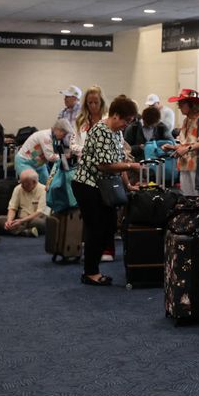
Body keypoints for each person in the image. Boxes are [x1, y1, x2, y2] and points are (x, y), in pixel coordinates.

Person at [71, 96, 141, 286]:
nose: (126, 125)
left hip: (103, 186)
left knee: (109, 225)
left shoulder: (117, 133)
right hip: (87, 185)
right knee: (96, 227)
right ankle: (90, 272)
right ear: (116, 116)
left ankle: (91, 268)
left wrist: (127, 185)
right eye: (126, 120)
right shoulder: (101, 130)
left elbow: (120, 161)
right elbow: (105, 165)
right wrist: (131, 165)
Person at [162, 89, 199, 196]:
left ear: (192, 104)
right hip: (186, 164)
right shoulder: (187, 120)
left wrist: (187, 149)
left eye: (182, 103)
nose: (179, 106)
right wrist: (173, 147)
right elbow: (187, 143)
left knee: (198, 197)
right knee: (187, 197)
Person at [14, 119, 74, 184]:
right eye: (64, 134)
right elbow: (50, 157)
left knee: (47, 185)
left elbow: (59, 153)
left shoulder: (56, 138)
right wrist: (65, 156)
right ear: (57, 130)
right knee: (31, 185)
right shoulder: (46, 137)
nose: (64, 137)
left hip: (39, 163)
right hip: (24, 162)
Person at [0, 168, 47, 237]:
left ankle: (2, 230)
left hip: (33, 219)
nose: (22, 185)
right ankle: (26, 232)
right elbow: (12, 208)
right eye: (21, 182)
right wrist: (9, 221)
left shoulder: (44, 190)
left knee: (40, 223)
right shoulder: (18, 188)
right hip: (19, 219)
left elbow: (40, 213)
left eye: (25, 183)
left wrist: (21, 221)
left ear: (34, 182)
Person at [70, 85, 107, 157]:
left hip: (104, 163)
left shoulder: (108, 120)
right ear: (86, 103)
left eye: (96, 102)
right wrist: (88, 151)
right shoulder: (80, 120)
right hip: (83, 163)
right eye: (90, 102)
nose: (93, 106)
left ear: (101, 102)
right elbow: (72, 145)